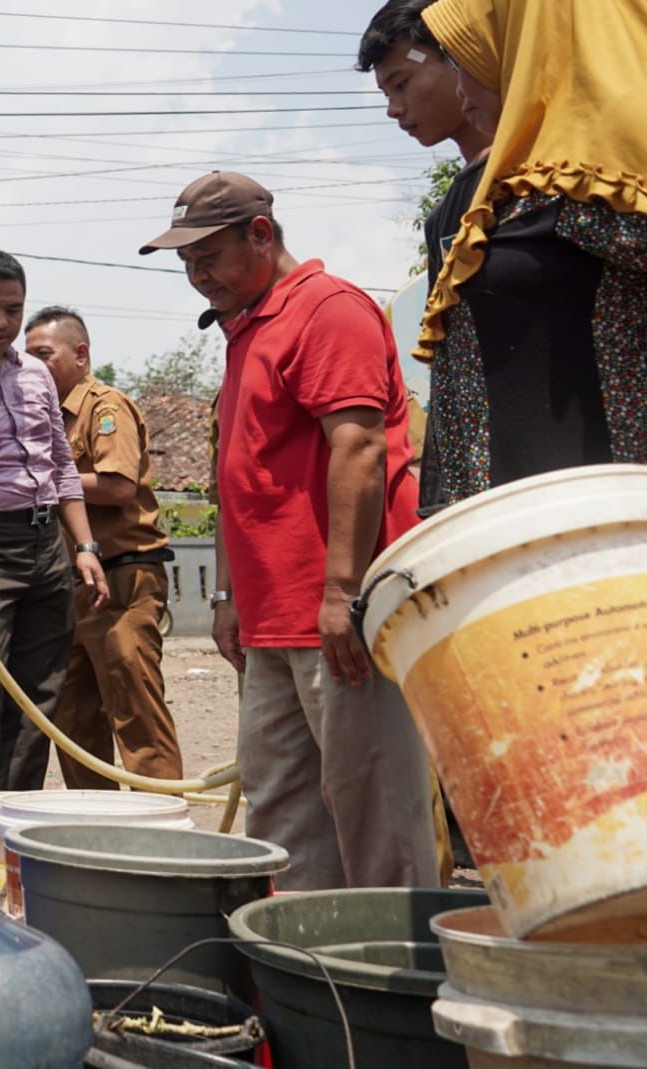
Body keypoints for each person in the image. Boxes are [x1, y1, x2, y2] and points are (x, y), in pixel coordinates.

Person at [138, 171, 438, 890]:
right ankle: (305, 971)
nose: (196, 276)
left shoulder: (327, 311)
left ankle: (390, 981)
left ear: (262, 235)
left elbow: (360, 449)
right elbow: (242, 477)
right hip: (272, 620)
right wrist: (227, 596)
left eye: (206, 257)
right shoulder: (250, 326)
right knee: (283, 814)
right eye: (185, 263)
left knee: (374, 812)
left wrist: (341, 592)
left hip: (335, 615)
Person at [410, 0, 647, 512]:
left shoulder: (608, 184)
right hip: (510, 533)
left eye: (464, 61)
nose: (460, 88)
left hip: (605, 532)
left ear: (530, 52)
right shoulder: (509, 196)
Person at [0, 250, 108, 792]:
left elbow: (62, 467)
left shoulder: (34, 374)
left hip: (45, 545)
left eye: (13, 309)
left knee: (41, 693)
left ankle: (15, 813)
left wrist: (84, 548)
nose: (2, 322)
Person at [23, 306, 182, 785]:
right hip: (70, 585)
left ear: (81, 354)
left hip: (122, 578)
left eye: (44, 355)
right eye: (27, 358)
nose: (33, 367)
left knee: (134, 710)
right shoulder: (45, 418)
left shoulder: (103, 407)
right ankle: (95, 826)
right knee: (71, 719)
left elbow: (117, 486)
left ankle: (161, 829)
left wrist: (42, 478)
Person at [357, 0, 493, 295]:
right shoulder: (441, 220)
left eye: (402, 83)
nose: (392, 110)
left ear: (460, 54)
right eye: (386, 94)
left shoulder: (554, 170)